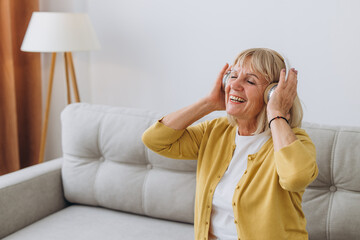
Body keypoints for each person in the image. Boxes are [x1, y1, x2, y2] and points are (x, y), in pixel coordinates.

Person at [142, 48, 318, 240]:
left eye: (250, 81)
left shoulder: (295, 141)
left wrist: (276, 113)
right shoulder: (215, 131)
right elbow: (155, 140)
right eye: (232, 76)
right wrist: (209, 103)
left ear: (271, 94)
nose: (235, 85)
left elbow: (295, 178)